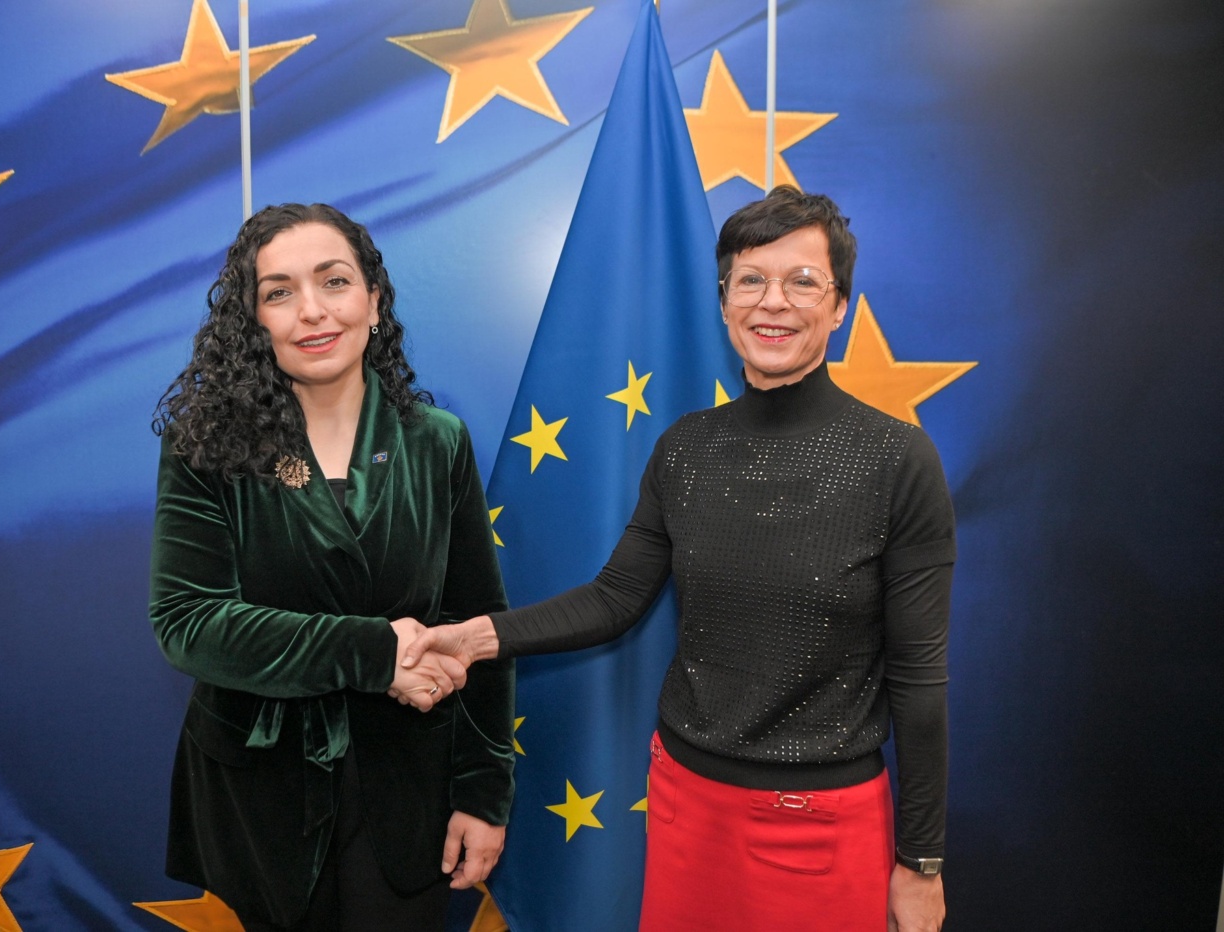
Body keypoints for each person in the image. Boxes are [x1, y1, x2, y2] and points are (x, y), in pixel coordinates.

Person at [404, 186, 953, 931]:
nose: (773, 302)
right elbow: (614, 598)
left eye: (802, 281)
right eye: (750, 279)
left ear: (839, 307)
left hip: (820, 827)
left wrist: (921, 861)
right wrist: (475, 639)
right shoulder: (685, 449)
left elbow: (919, 678)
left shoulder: (897, 460)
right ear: (724, 303)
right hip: (685, 804)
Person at [148, 203, 515, 932]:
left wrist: (483, 792)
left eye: (334, 281)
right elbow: (189, 624)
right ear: (253, 320)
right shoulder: (204, 446)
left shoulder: (437, 441)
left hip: (409, 791)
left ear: (373, 301)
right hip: (263, 797)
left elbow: (479, 627)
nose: (311, 311)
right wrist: (375, 653)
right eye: (279, 292)